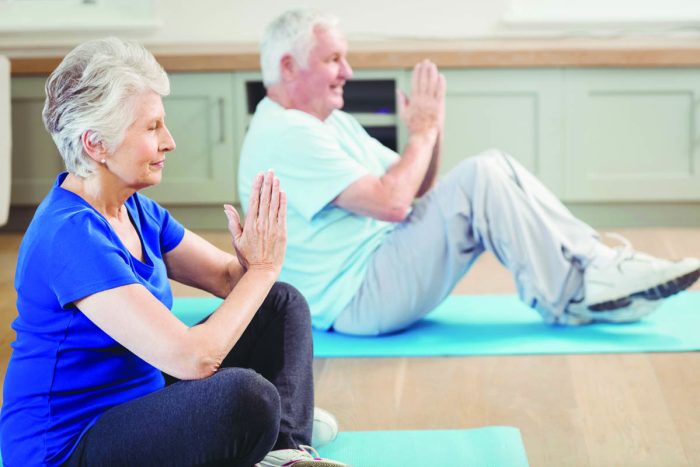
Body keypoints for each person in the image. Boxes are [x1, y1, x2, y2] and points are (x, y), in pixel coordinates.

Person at [238, 9, 700, 336]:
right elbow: (394, 203)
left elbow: (419, 190)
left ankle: (591, 272)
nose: (348, 70)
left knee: (489, 169)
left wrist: (431, 131)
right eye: (333, 58)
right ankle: (584, 286)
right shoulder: (285, 134)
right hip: (356, 300)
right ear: (288, 66)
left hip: (381, 266)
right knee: (482, 174)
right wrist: (420, 133)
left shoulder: (328, 122)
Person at [0, 37, 347, 467]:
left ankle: (287, 450)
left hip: (139, 399)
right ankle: (273, 429)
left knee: (280, 303)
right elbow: (193, 359)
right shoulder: (69, 236)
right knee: (248, 399)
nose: (169, 141)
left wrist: (253, 260)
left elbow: (226, 279)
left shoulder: (135, 210)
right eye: (152, 128)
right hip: (69, 448)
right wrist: (262, 268)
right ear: (96, 144)